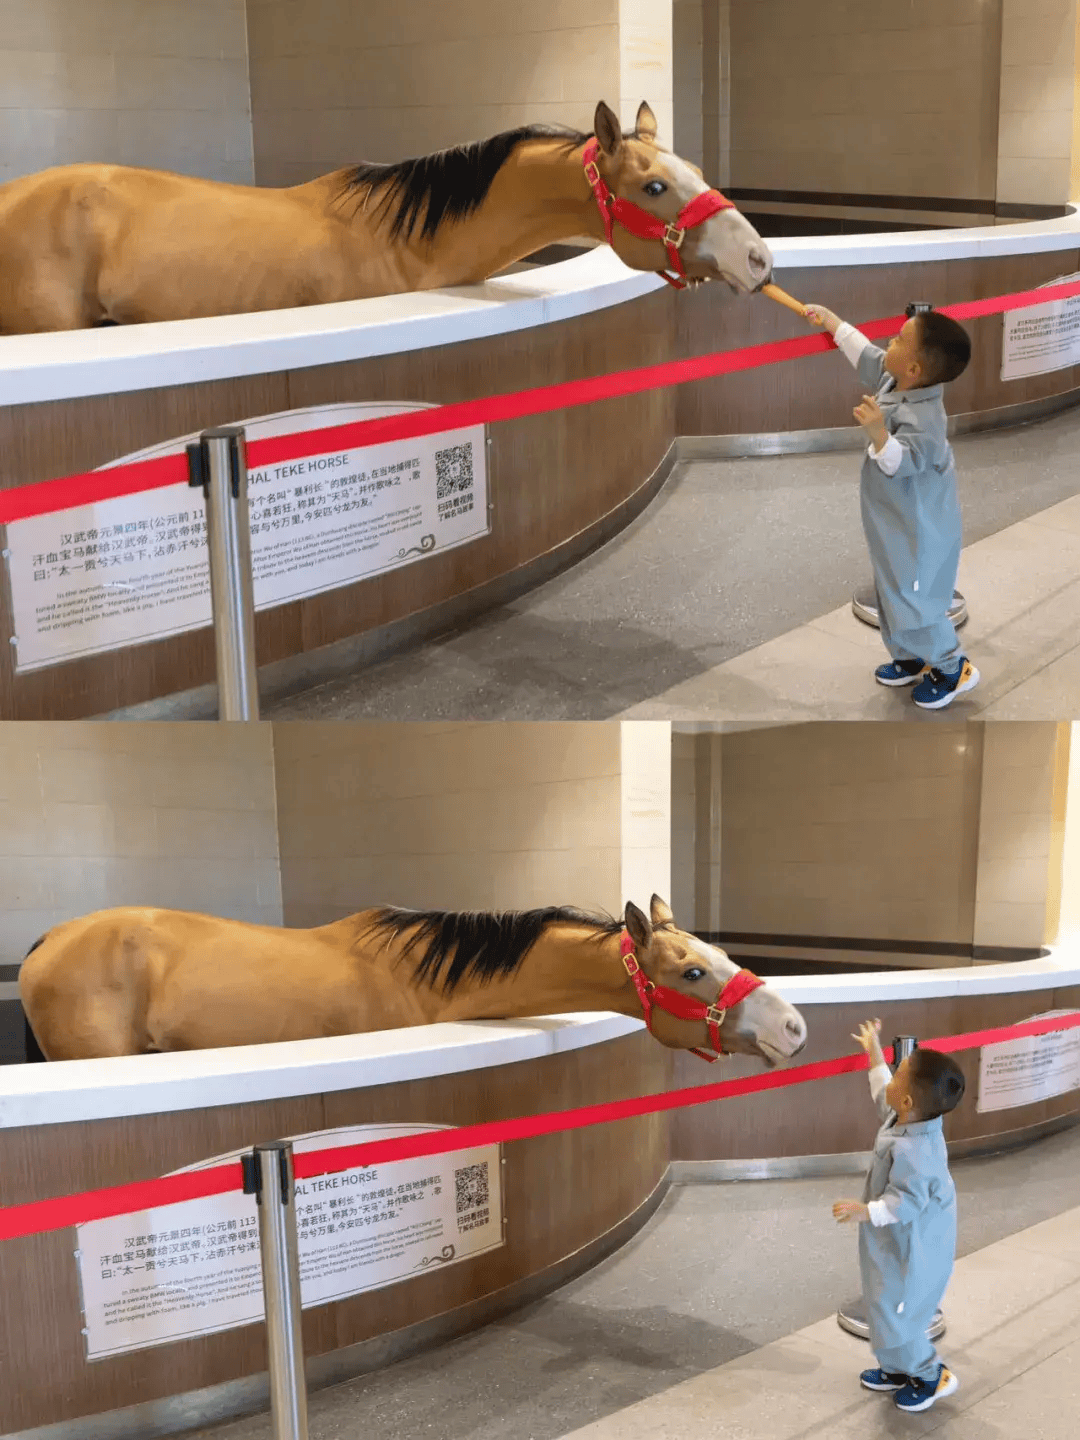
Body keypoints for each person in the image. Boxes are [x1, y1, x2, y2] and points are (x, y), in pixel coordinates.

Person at [803, 301, 978, 710]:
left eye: (900, 339)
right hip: (892, 522)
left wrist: (880, 435)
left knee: (915, 597)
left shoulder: (927, 419)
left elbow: (906, 462)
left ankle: (953, 668)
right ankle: (910, 656)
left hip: (918, 529)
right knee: (891, 590)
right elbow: (867, 356)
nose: (890, 341)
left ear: (915, 369)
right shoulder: (899, 379)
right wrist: (833, 321)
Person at [833, 1020, 966, 1414]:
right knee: (881, 1301)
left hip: (917, 1244)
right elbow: (883, 1094)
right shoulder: (906, 1117)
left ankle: (929, 1374)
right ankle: (895, 1369)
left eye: (899, 1074)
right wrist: (873, 1051)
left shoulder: (920, 1152)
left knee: (902, 1311)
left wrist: (865, 1211)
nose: (892, 1074)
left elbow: (906, 1201)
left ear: (906, 1101)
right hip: (892, 1237)